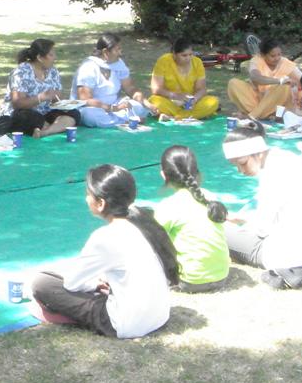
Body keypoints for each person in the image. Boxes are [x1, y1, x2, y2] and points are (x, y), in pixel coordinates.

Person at [30, 164, 177, 338]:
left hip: (124, 324)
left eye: (88, 194)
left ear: (100, 203)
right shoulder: (145, 221)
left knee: (42, 282)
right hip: (159, 317)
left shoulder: (105, 237)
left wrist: (94, 284)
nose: (86, 199)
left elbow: (72, 284)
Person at [222, 121, 302, 271]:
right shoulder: (289, 158)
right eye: (236, 166)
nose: (240, 170)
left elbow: (262, 229)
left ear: (260, 153)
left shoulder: (273, 173)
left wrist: (241, 221)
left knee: (218, 228)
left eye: (243, 163)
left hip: (286, 255)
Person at [153, 145, 231, 292]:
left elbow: (153, 241)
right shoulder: (211, 196)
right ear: (196, 171)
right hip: (221, 276)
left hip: (190, 280)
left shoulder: (167, 206)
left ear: (164, 175)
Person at [70, 33, 157, 127]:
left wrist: (147, 104)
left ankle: (120, 120)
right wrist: (113, 108)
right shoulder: (88, 67)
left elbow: (130, 89)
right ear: (105, 52)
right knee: (90, 115)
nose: (120, 53)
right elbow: (85, 100)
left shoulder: (119, 64)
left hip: (115, 106)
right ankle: (125, 121)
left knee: (138, 107)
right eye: (117, 50)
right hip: (94, 108)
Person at [0, 38, 80, 137]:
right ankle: (53, 127)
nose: (55, 58)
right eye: (51, 55)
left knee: (74, 113)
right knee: (25, 116)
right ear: (40, 58)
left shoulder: (53, 71)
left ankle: (45, 131)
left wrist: (62, 103)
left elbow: (57, 98)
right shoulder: (21, 72)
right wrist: (41, 97)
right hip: (22, 113)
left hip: (45, 112)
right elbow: (18, 103)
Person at [227, 39, 301, 120]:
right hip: (258, 101)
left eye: (279, 54)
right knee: (233, 83)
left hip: (277, 106)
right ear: (263, 55)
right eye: (273, 56)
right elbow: (255, 78)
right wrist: (279, 81)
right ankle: (263, 115)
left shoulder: (286, 63)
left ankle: (252, 116)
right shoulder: (257, 60)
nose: (277, 58)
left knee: (285, 86)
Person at [147, 38, 219, 119]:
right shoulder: (164, 61)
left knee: (213, 102)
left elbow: (201, 89)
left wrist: (194, 99)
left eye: (190, 54)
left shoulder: (197, 63)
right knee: (154, 100)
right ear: (174, 54)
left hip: (190, 105)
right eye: (184, 55)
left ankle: (175, 117)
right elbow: (156, 89)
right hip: (170, 101)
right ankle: (189, 116)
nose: (188, 58)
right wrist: (175, 96)